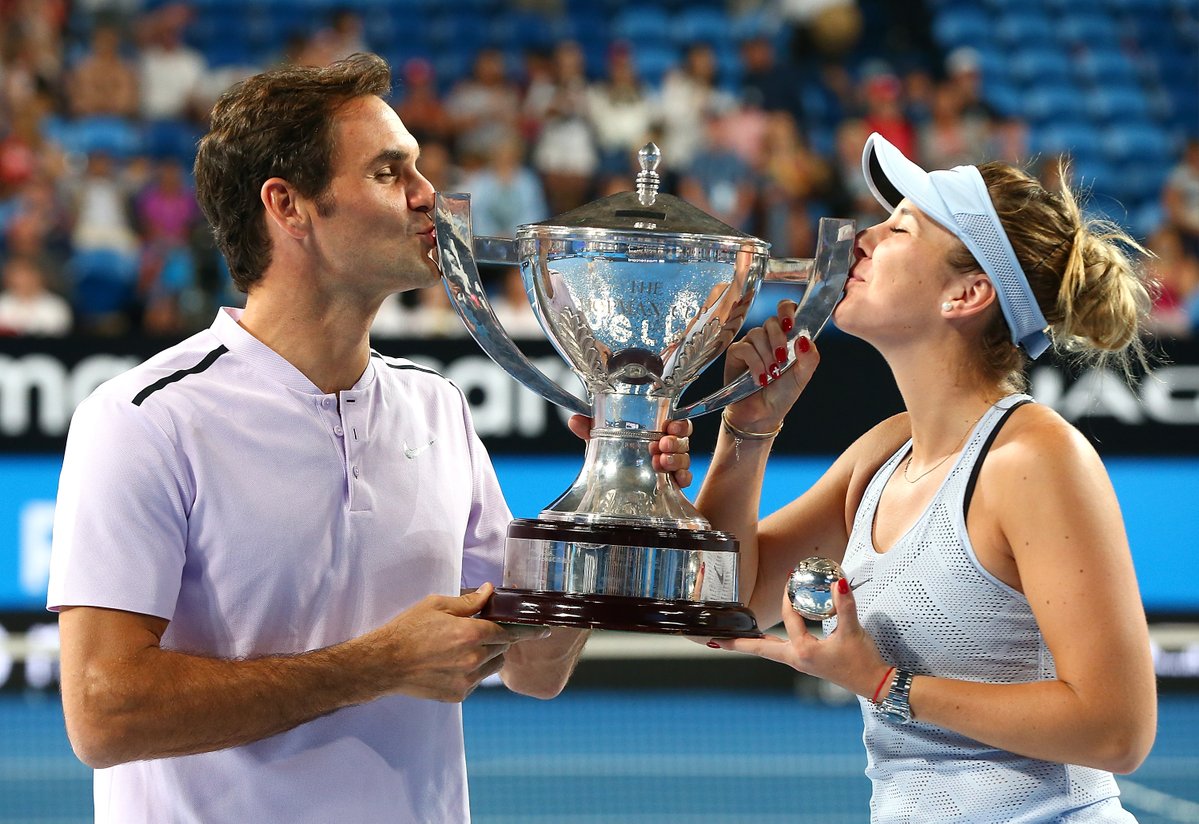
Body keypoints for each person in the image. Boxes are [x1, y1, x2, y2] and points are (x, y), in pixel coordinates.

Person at [47, 53, 693, 823]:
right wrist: (375, 666)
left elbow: (532, 664)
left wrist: (609, 502)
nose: (430, 197)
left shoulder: (438, 408)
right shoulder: (143, 418)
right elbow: (103, 714)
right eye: (390, 173)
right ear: (288, 207)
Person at [697, 133, 1157, 822]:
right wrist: (746, 430)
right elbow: (720, 602)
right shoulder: (882, 453)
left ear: (966, 293)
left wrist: (884, 682)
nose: (862, 239)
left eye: (897, 228)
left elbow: (1115, 731)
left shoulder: (1034, 460)